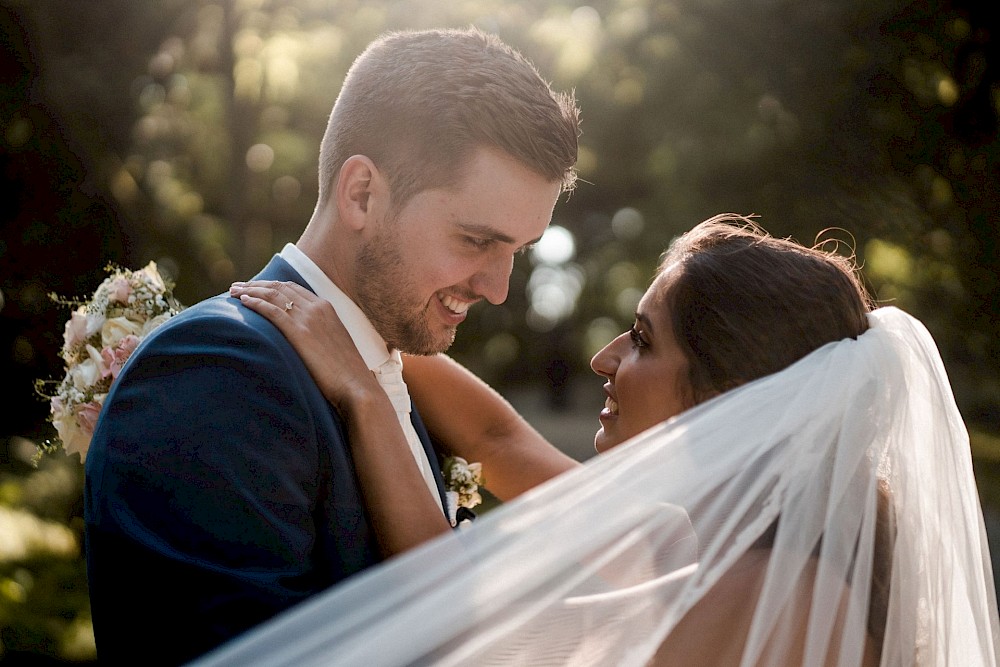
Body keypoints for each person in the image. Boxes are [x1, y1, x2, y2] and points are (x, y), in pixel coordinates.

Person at [215, 214, 1000, 666]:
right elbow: (501, 439)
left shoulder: (783, 594)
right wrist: (348, 315)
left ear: (732, 391)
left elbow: (450, 614)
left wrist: (359, 393)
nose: (605, 359)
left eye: (641, 339)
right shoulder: (686, 539)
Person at [83, 26, 580, 665]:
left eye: (517, 251)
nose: (499, 288)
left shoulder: (387, 372)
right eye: (476, 240)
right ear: (362, 194)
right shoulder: (221, 370)